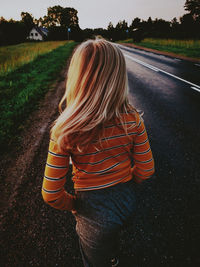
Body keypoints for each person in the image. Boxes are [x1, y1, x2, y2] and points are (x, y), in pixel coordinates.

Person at [42, 37, 155, 267]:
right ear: (118, 79)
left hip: (92, 215)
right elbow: (147, 169)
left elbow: (51, 193)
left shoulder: (65, 131)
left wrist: (74, 205)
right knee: (113, 235)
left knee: (96, 259)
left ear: (77, 78)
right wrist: (125, 183)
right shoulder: (133, 120)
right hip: (126, 202)